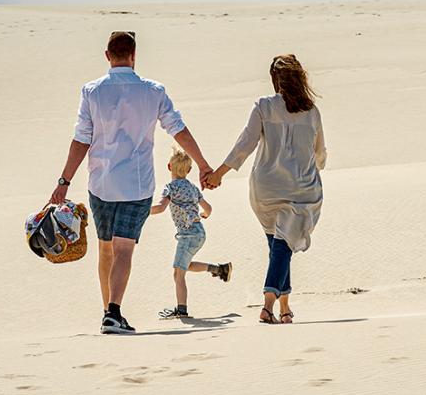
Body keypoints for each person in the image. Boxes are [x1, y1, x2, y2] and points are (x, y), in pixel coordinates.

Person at [48, 31, 216, 334]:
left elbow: (81, 139)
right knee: (124, 249)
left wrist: (64, 181)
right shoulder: (154, 91)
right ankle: (113, 312)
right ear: (134, 55)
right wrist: (203, 164)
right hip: (137, 185)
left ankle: (107, 312)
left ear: (107, 56)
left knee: (106, 249)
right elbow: (178, 130)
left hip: (101, 183)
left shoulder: (91, 91)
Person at [204, 54, 326, 325]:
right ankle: (268, 305)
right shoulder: (312, 112)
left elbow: (244, 145)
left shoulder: (263, 106)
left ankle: (285, 307)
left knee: (279, 245)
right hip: (301, 190)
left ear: (275, 80)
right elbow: (320, 154)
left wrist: (218, 175)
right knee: (283, 245)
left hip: (265, 188)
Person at [148, 147, 232, 319]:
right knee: (184, 266)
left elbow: (160, 208)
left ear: (169, 167)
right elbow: (208, 208)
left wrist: (141, 211)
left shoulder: (170, 188)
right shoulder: (193, 188)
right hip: (200, 232)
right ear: (189, 170)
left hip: (187, 234)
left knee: (178, 272)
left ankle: (182, 310)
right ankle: (219, 270)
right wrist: (204, 215)